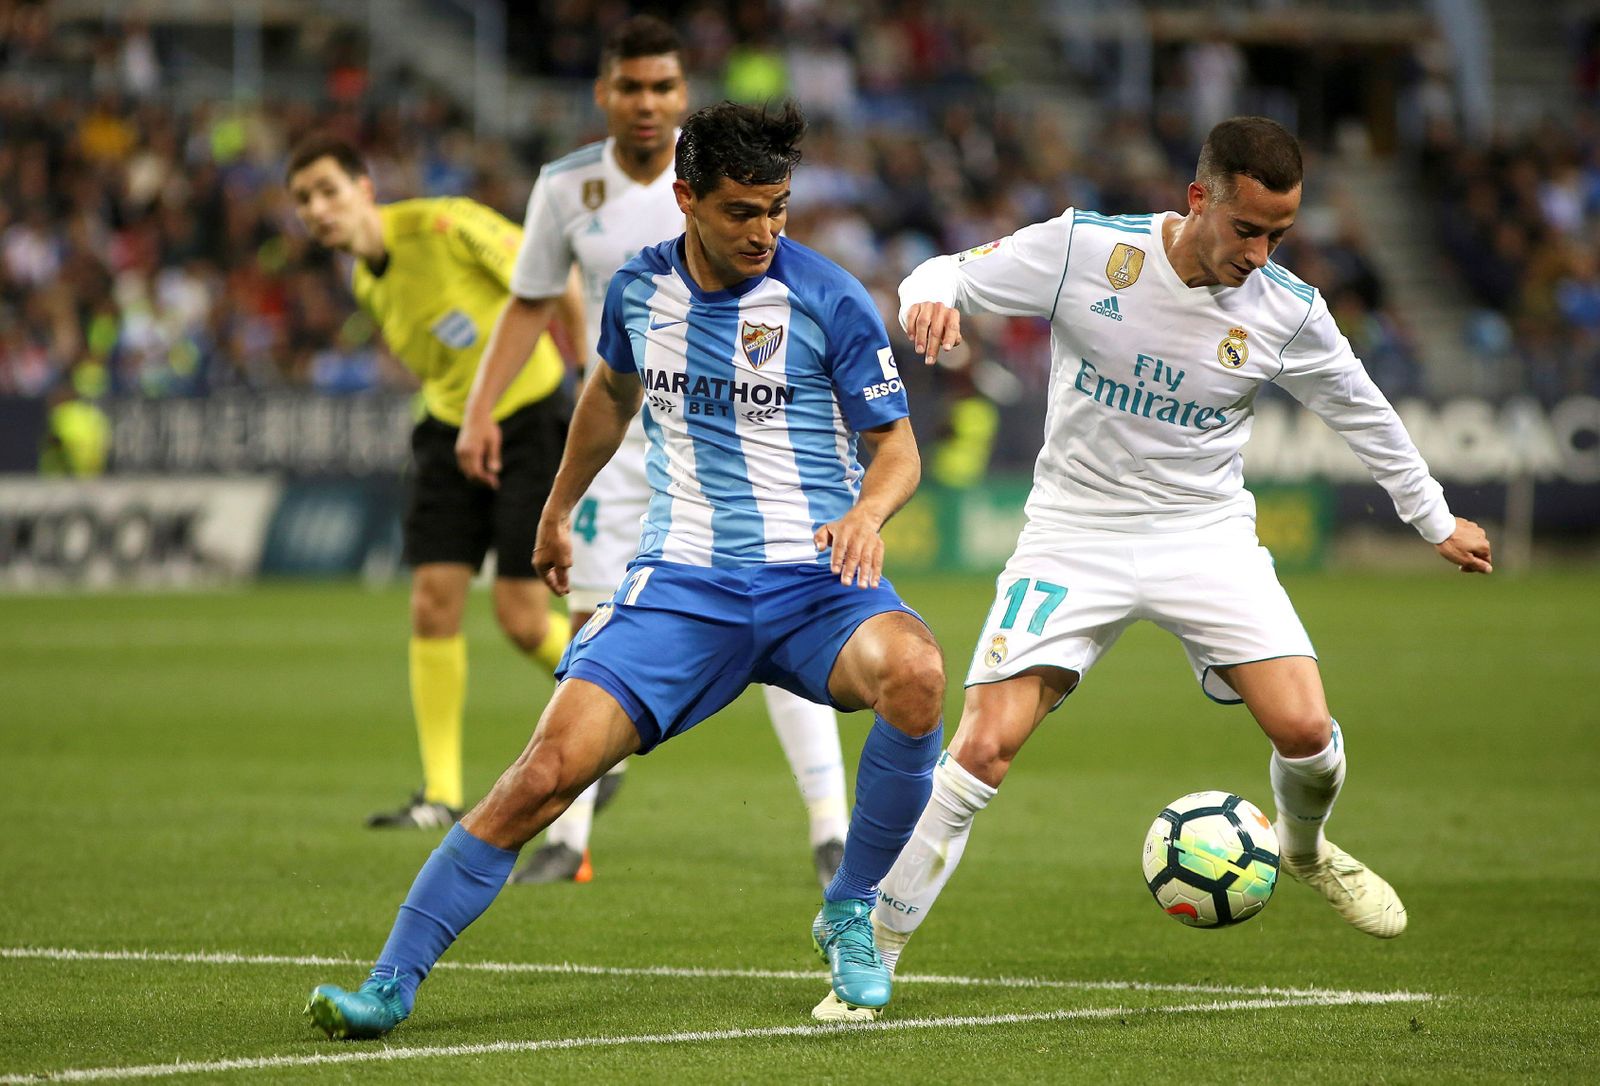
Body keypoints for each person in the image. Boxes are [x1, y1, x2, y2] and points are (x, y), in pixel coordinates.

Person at [304, 101, 946, 1040]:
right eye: (741, 210)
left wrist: (866, 512)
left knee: (919, 675)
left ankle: (851, 906)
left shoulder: (828, 296)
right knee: (541, 776)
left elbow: (897, 446)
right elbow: (609, 394)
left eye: (778, 208)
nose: (766, 230)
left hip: (814, 584)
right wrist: (557, 508)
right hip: (681, 587)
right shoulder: (638, 293)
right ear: (686, 198)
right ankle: (389, 984)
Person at [858, 116, 1494, 1003]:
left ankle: (1302, 847)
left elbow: (1364, 410)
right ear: (1199, 200)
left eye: (1280, 234)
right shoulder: (1088, 250)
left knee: (1308, 736)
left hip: (1205, 537)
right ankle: (873, 953)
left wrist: (1433, 519)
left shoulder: (1287, 310)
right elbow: (947, 269)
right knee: (982, 751)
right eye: (1247, 230)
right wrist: (928, 293)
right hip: (1074, 535)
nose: (1261, 254)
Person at [457, 16, 852, 888]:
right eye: (631, 87)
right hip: (620, 438)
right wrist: (480, 411)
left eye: (664, 88)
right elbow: (528, 302)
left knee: (778, 610)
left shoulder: (725, 177)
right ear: (603, 93)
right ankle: (568, 837)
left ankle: (830, 825)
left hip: (727, 434)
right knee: (596, 620)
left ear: (683, 96)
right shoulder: (566, 189)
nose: (647, 103)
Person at [287, 135, 581, 829]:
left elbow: (553, 278)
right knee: (431, 604)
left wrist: (589, 378)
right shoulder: (365, 278)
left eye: (328, 190)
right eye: (303, 200)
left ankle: (614, 709)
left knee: (520, 616)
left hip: (531, 416)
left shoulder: (443, 224)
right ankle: (440, 795)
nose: (317, 209)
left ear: (365, 188)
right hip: (448, 432)